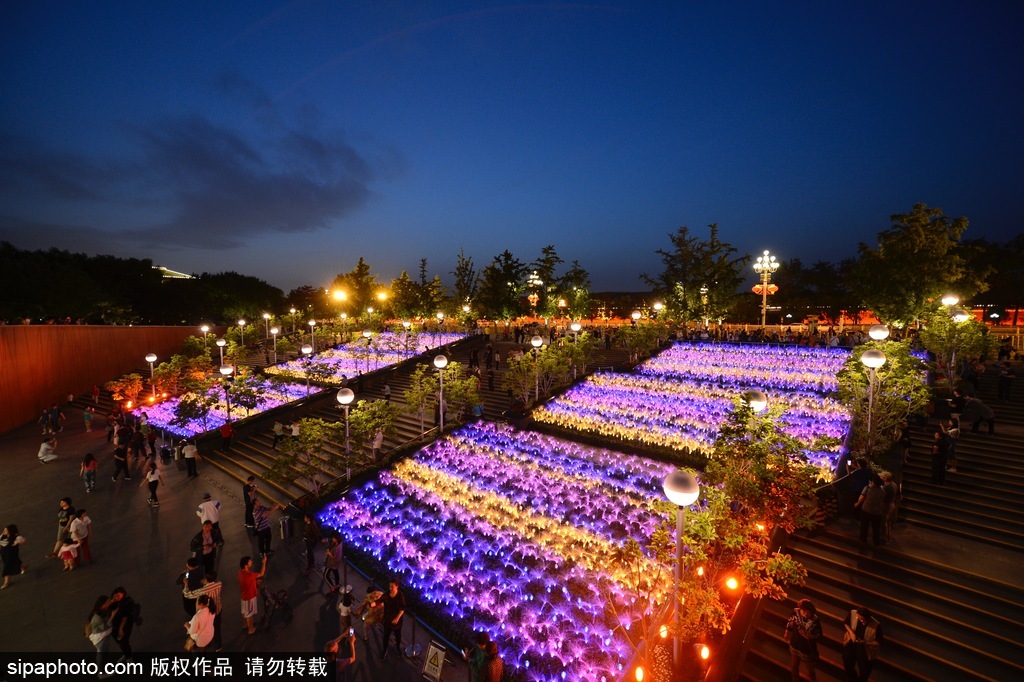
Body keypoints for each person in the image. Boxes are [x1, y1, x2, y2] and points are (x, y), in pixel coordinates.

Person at [842, 607, 883, 682]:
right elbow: (846, 623)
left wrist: (865, 643)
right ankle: (851, 677)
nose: (857, 618)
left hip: (865, 648)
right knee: (847, 661)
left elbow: (878, 642)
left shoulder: (875, 625)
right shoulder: (853, 613)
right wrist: (851, 633)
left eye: (861, 619)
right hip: (852, 642)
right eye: (857, 616)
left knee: (864, 668)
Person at [786, 598, 823, 682]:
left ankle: (812, 674)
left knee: (809, 665)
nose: (806, 614)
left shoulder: (815, 620)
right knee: (794, 666)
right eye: (803, 612)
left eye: (808, 612)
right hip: (795, 643)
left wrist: (811, 636)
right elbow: (791, 622)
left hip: (806, 647)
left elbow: (819, 634)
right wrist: (787, 632)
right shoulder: (796, 612)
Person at [193, 570, 223, 651]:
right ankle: (218, 646)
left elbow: (189, 595)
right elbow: (212, 585)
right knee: (217, 629)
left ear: (206, 579)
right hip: (217, 610)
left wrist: (185, 586)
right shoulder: (219, 584)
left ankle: (207, 642)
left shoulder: (203, 590)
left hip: (208, 612)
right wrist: (207, 582)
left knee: (206, 628)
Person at [238, 555, 268, 635]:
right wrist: (264, 563)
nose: (251, 562)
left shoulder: (240, 572)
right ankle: (251, 629)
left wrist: (254, 582)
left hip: (244, 596)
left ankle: (245, 625)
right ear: (246, 565)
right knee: (249, 614)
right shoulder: (250, 575)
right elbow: (261, 573)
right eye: (250, 561)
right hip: (250, 596)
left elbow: (247, 582)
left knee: (244, 612)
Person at [379, 579, 406, 661]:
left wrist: (397, 618)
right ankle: (384, 650)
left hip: (397, 622)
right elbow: (379, 600)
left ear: (397, 586)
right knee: (386, 636)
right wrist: (372, 604)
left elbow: (403, 608)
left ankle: (397, 648)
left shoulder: (400, 595)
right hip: (388, 621)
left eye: (392, 587)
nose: (390, 588)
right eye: (389, 586)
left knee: (398, 636)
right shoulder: (387, 594)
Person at [854, 475, 885, 546]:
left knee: (864, 526)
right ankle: (876, 542)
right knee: (876, 528)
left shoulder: (867, 488)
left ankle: (863, 539)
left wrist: (857, 504)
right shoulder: (883, 491)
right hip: (877, 512)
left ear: (873, 482)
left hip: (866, 510)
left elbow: (862, 497)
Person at [108, 587, 137, 663]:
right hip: (115, 624)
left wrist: (121, 629)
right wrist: (112, 601)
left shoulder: (127, 602)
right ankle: (126, 653)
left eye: (119, 595)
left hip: (125, 625)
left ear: (124, 594)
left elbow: (125, 617)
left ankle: (129, 657)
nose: (117, 597)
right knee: (119, 641)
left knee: (124, 641)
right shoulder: (114, 601)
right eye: (115, 596)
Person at [85, 595, 113, 667]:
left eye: (108, 602)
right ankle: (101, 672)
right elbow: (106, 627)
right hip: (100, 640)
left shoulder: (101, 611)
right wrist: (113, 615)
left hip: (103, 637)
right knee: (101, 655)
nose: (108, 604)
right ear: (100, 605)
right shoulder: (97, 617)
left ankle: (103, 669)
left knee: (104, 654)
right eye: (105, 603)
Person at [1, 524, 27, 589]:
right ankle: (23, 567)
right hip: (4, 553)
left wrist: (17, 543)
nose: (4, 531)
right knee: (15, 562)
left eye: (6, 530)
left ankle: (6, 582)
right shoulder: (2, 536)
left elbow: (23, 541)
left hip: (12, 553)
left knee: (7, 566)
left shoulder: (16, 537)